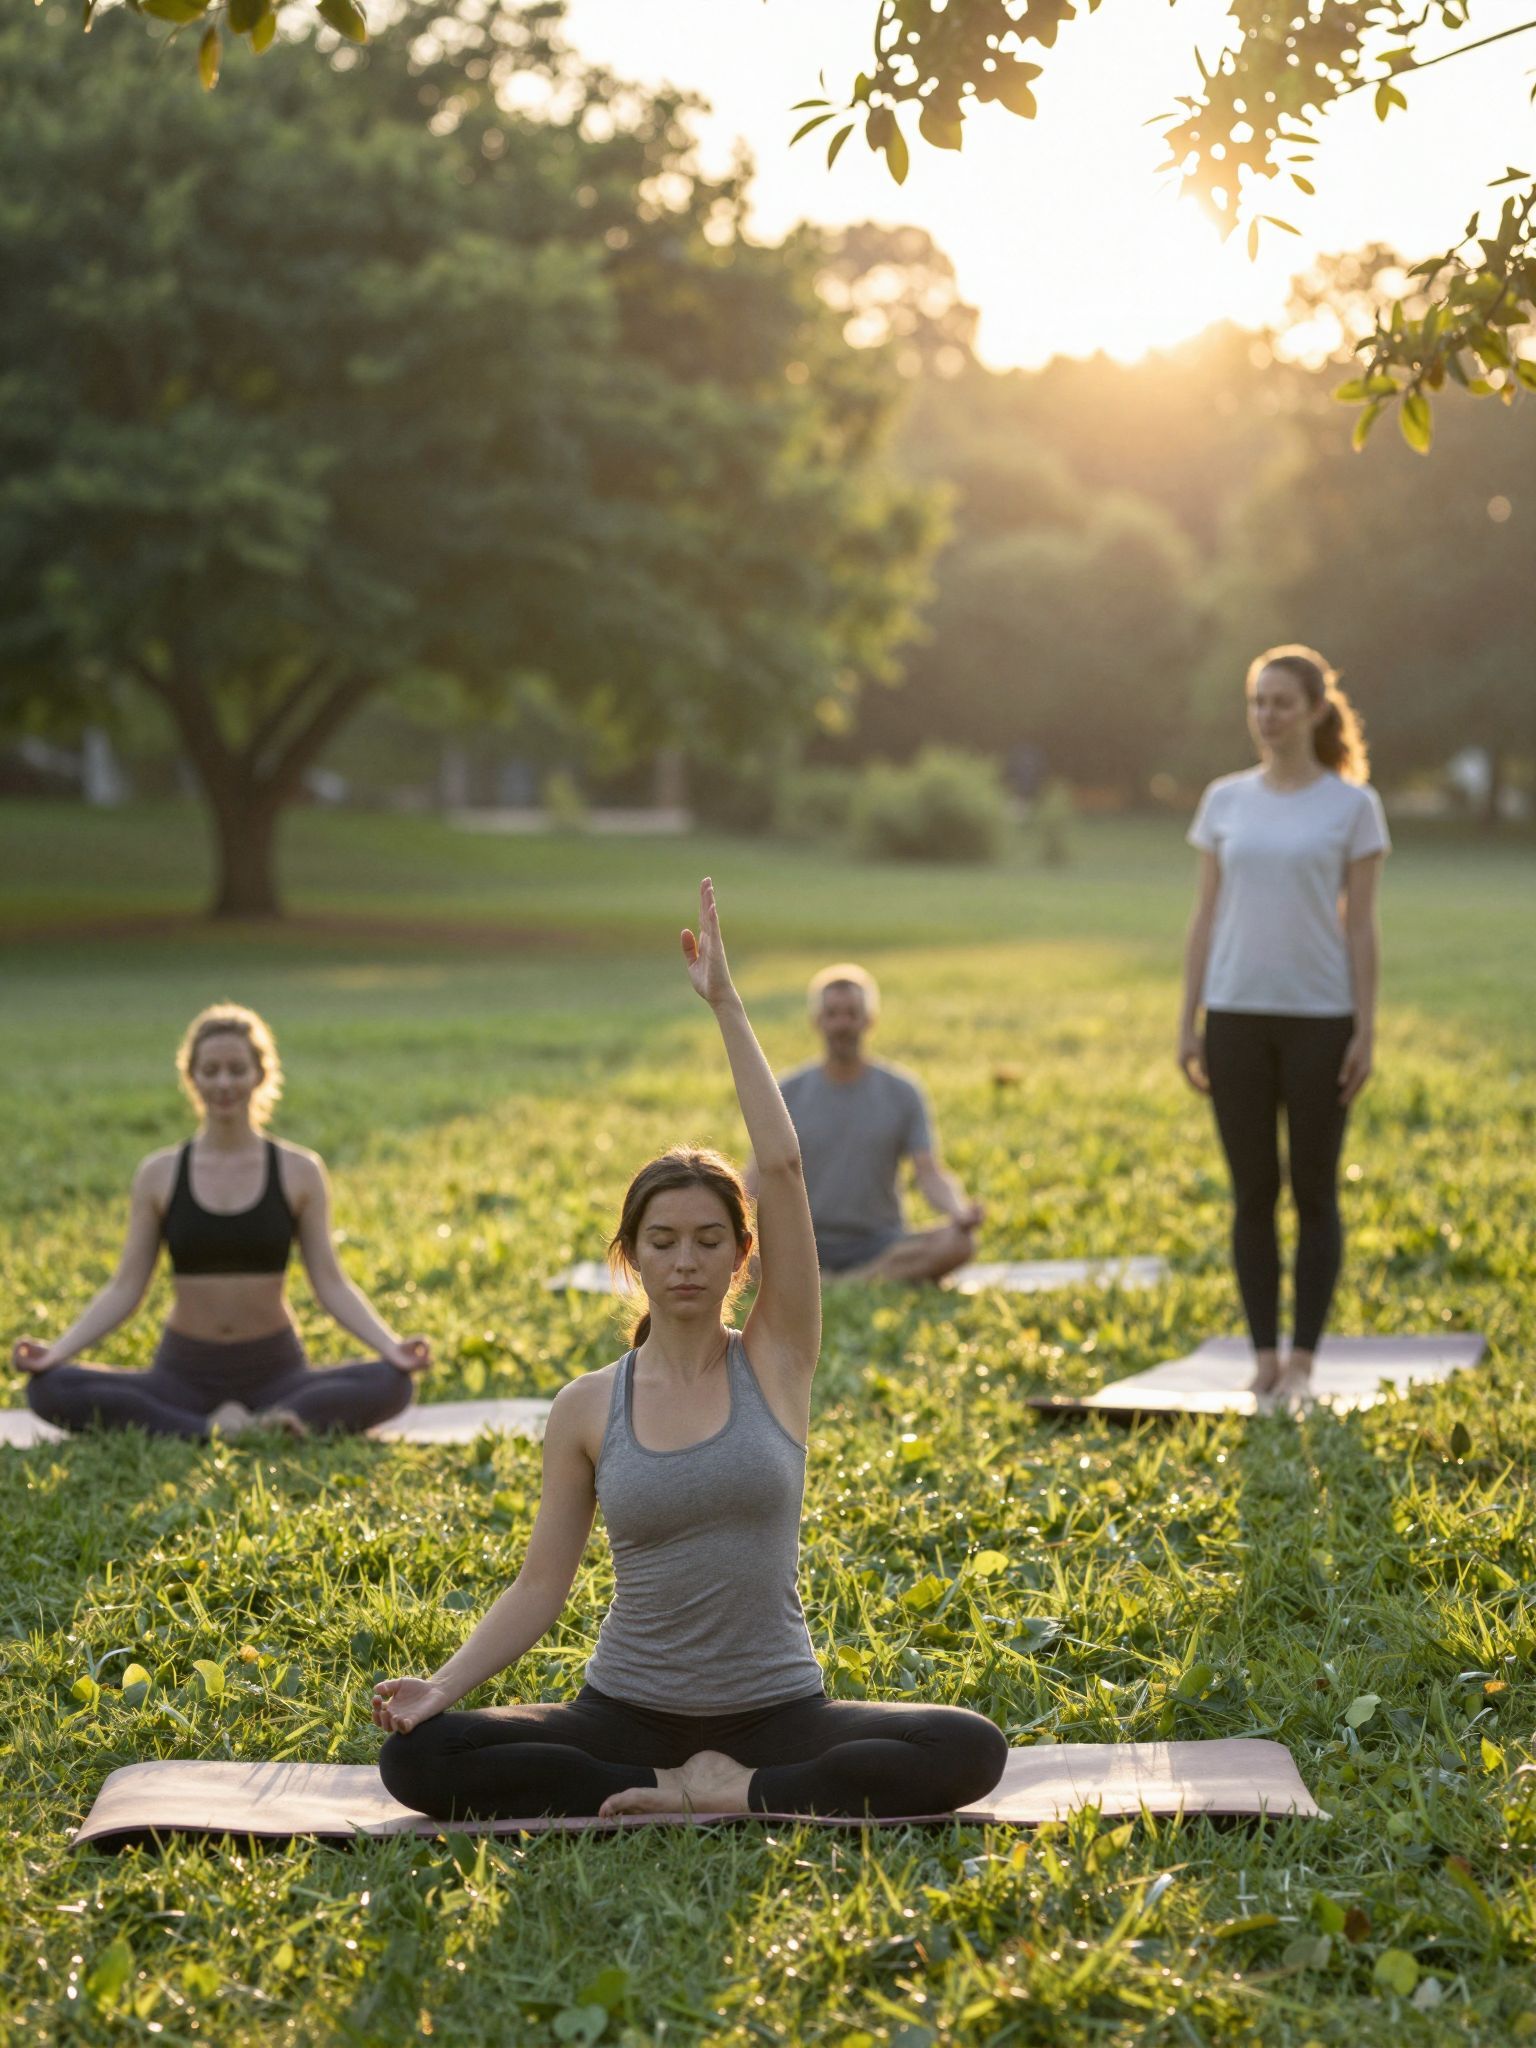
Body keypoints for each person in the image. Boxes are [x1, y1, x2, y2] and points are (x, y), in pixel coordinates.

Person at [373, 882, 1006, 1822]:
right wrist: (443, 1686)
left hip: (778, 1711)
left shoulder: (776, 1363)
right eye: (663, 1241)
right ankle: (675, 1790)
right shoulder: (588, 1406)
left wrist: (725, 1003)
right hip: (625, 1710)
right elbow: (542, 1584)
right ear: (630, 1257)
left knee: (967, 1746)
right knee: (421, 1760)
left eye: (710, 1239)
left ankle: (741, 1790)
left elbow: (782, 1169)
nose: (685, 1261)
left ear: (742, 1255)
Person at [13, 1004, 429, 1438]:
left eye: (237, 1069)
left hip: (276, 1371)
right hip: (183, 1373)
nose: (224, 1083)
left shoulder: (299, 1171)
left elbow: (332, 1284)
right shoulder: (159, 1174)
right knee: (50, 1388)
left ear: (260, 1075)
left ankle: (222, 1425)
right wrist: (56, 1352)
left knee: (391, 1383)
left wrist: (390, 1346)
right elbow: (124, 1289)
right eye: (210, 1070)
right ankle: (215, 1427)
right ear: (191, 1077)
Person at [1178, 645, 1389, 1405]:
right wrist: (1188, 1020)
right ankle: (1263, 1354)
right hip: (1234, 1016)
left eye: (1281, 703)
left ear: (1314, 710)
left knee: (1314, 1190)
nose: (1267, 716)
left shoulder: (1351, 806)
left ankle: (1304, 1358)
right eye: (1257, 702)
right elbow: (1204, 919)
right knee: (1251, 1193)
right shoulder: (1225, 800)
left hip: (1321, 1019)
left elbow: (1361, 929)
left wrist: (1367, 1030)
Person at [750, 964, 983, 1284]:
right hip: (803, 1243)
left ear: (869, 1020)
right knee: (737, 1256)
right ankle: (859, 1280)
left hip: (882, 1243)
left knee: (960, 1243)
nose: (842, 1024)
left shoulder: (903, 1092)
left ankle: (838, 1282)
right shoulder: (786, 1092)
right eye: (832, 1014)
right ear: (817, 1021)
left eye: (852, 1014)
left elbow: (929, 1173)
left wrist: (959, 1212)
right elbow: (756, 1178)